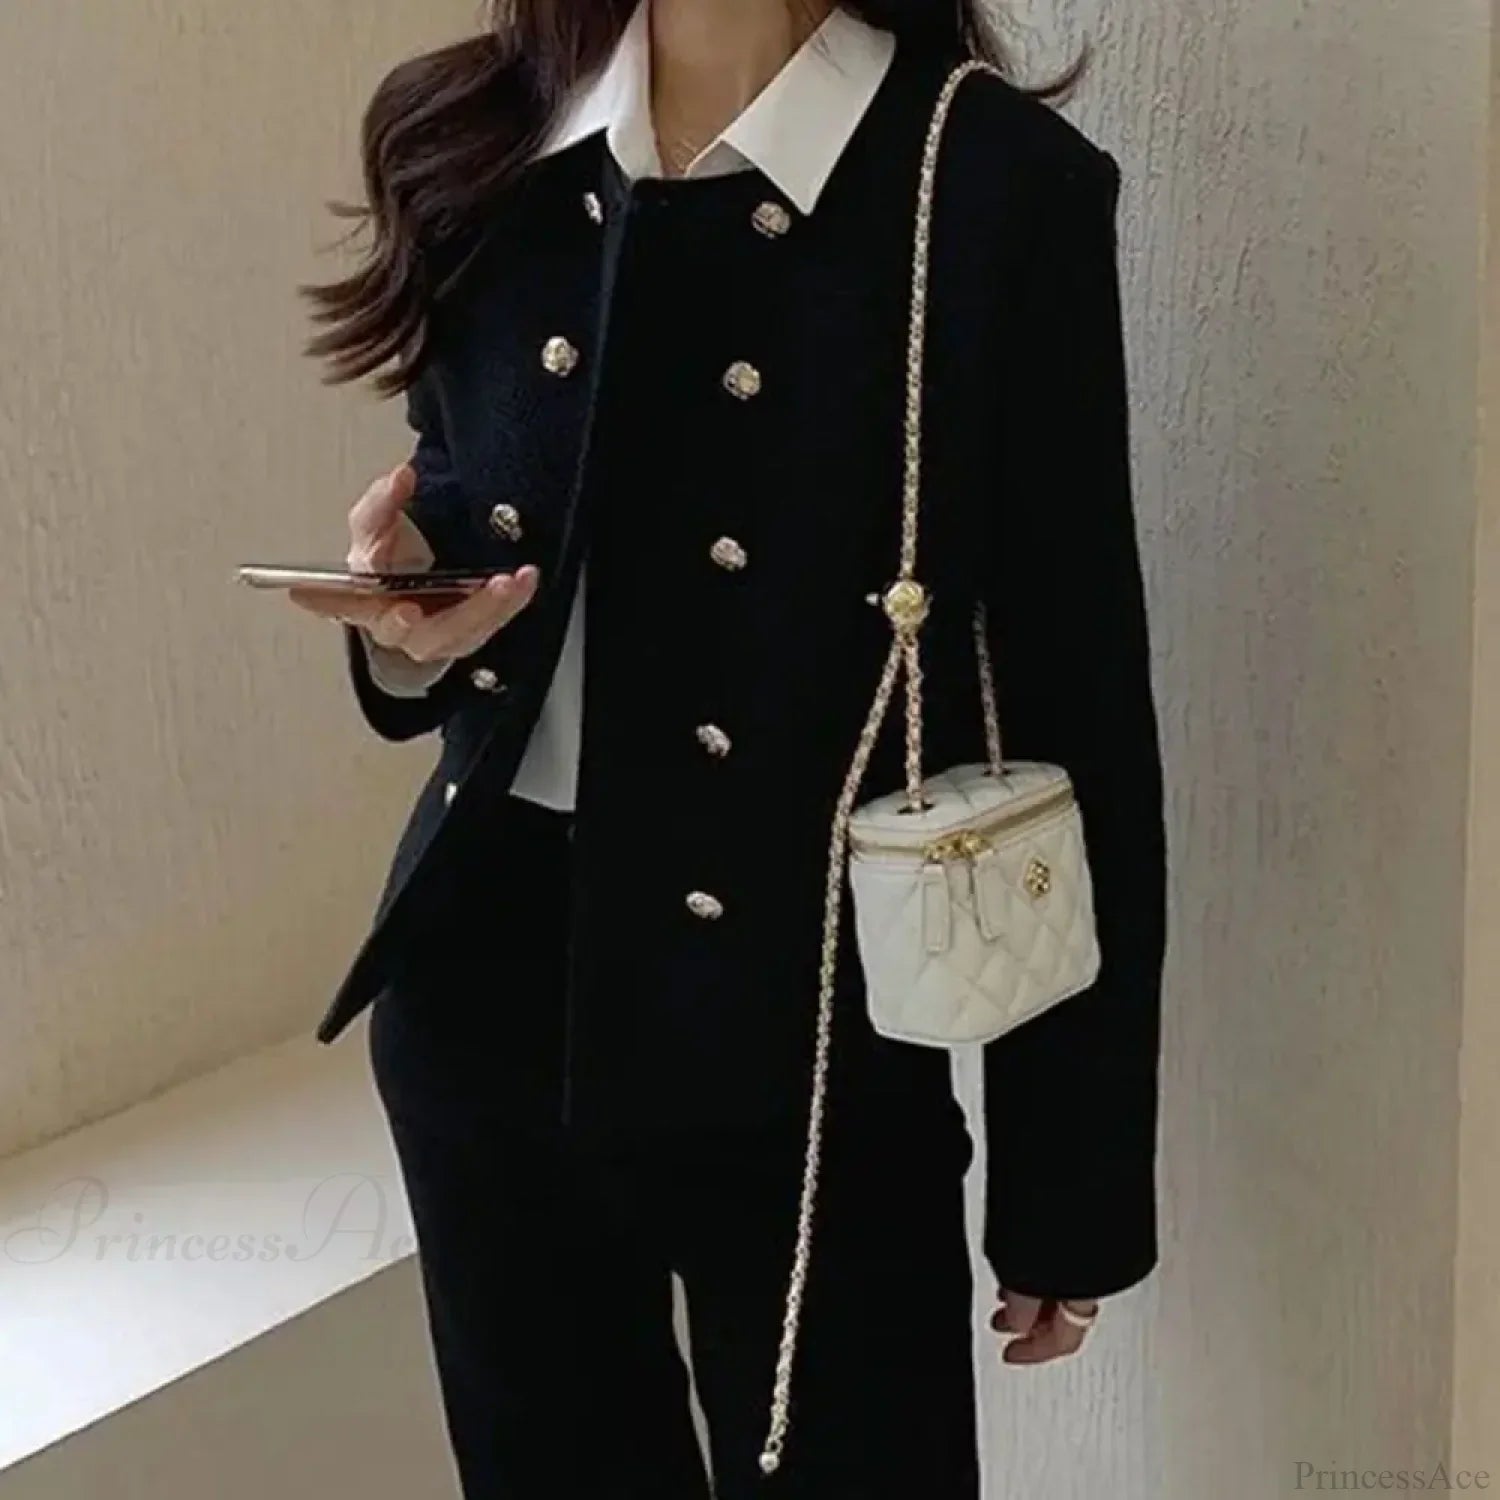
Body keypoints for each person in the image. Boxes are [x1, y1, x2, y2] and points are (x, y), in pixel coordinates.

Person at [289, 1, 1168, 1496]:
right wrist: (408, 613)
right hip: (492, 1004)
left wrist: (1066, 1180)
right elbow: (460, 514)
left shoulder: (992, 186)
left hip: (815, 1038)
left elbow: (1074, 688)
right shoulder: (470, 138)